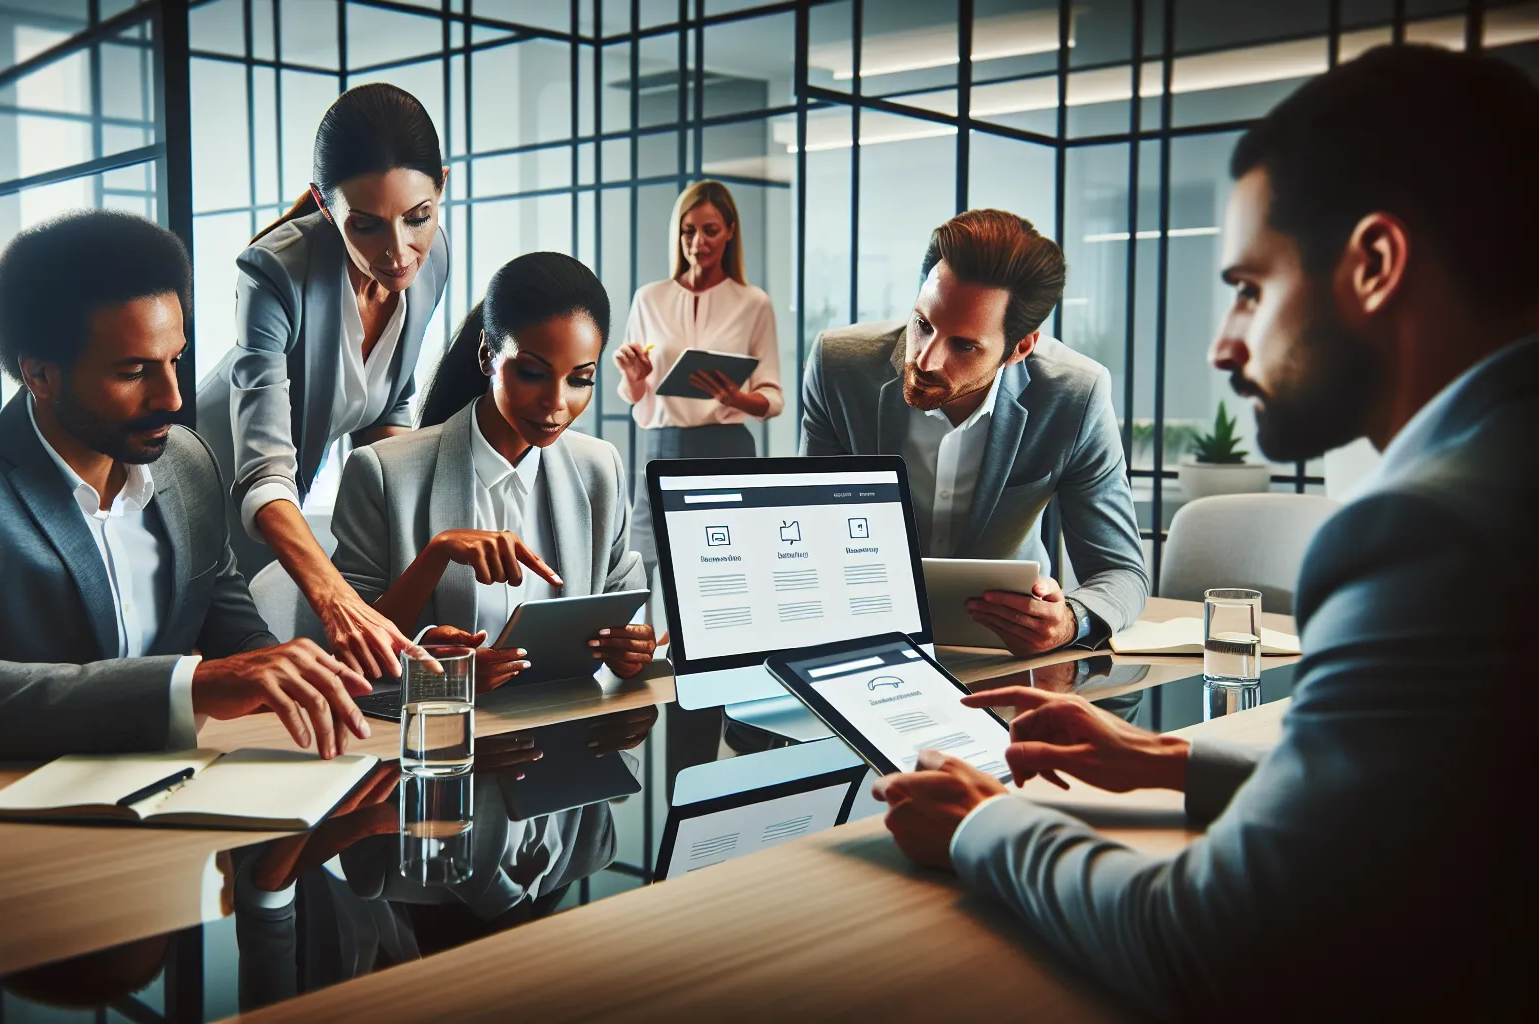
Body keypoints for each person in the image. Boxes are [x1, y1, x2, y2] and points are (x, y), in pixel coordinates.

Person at [870, 45, 1535, 1017]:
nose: (1225, 342)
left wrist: (987, 827)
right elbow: (1448, 792)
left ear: (1376, 264)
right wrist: (1163, 757)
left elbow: (1216, 947)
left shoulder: (1424, 535)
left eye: (1251, 287)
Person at [0, 210, 374, 762]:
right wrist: (192, 685)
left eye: (174, 361)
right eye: (133, 373)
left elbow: (244, 650)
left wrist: (375, 669)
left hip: (175, 795)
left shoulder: (186, 464)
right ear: (39, 374)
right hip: (18, 809)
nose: (172, 399)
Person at [801, 209, 1147, 654]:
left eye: (963, 345)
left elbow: (1121, 572)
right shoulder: (838, 367)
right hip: (863, 641)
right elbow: (808, 534)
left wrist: (1069, 621)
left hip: (1002, 657)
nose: (925, 360)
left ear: (1020, 347)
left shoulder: (1075, 396)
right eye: (923, 324)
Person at [195, 82, 450, 682]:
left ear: (442, 184)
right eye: (364, 225)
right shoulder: (273, 271)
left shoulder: (434, 258)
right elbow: (262, 470)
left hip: (278, 508)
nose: (398, 253)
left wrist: (410, 554)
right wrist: (341, 602)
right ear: (322, 202)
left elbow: (388, 400)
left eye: (418, 217)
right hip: (200, 489)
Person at [329, 252, 657, 688]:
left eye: (580, 379)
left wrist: (633, 649)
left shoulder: (600, 470)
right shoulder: (383, 473)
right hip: (440, 742)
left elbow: (625, 610)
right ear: (488, 355)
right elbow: (348, 652)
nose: (557, 403)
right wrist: (448, 669)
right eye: (533, 373)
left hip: (567, 732)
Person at [612, 180, 782, 579]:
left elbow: (772, 397)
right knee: (647, 566)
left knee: (726, 565)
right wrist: (635, 378)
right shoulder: (648, 298)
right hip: (662, 447)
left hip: (726, 448)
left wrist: (734, 397)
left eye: (710, 230)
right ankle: (653, 642)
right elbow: (637, 399)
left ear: (731, 231)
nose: (698, 242)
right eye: (689, 230)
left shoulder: (753, 302)